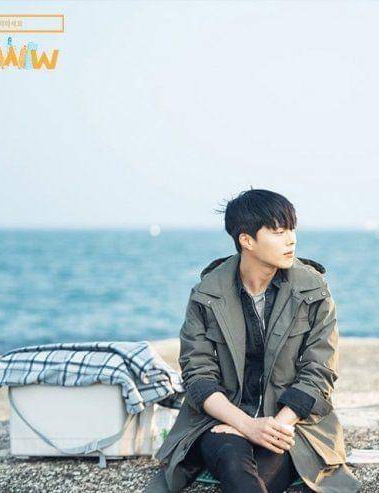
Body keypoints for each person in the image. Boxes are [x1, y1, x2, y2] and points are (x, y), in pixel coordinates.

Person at [145, 189, 360, 493]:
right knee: (231, 457)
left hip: (291, 421)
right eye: (278, 231)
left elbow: (320, 372)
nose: (291, 240)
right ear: (247, 240)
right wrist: (246, 425)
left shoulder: (313, 290)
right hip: (222, 420)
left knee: (261, 468)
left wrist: (274, 426)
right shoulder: (207, 294)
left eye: (292, 229)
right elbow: (198, 376)